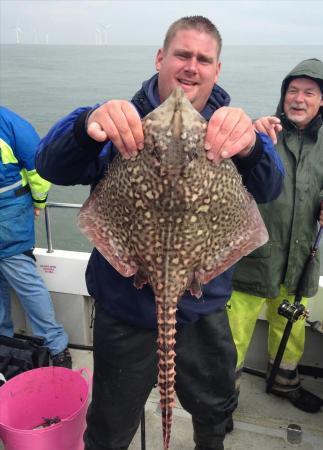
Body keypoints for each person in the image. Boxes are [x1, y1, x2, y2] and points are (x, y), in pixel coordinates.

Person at [36, 16, 284, 450]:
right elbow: (49, 165)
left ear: (216, 69)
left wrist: (252, 146)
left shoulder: (229, 131)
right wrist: (86, 124)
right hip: (124, 315)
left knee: (213, 411)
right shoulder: (123, 123)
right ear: (160, 58)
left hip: (203, 310)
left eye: (203, 59)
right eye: (182, 54)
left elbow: (270, 186)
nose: (192, 66)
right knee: (111, 426)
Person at [228, 58, 323, 414]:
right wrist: (248, 138)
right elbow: (230, 173)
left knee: (291, 327)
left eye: (308, 93)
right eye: (292, 91)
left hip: (300, 259)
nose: (298, 99)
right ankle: (224, 401)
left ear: (321, 100)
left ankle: (285, 382)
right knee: (234, 332)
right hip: (254, 256)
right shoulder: (262, 133)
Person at [0, 106, 72, 369]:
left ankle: (5, 343)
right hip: (10, 216)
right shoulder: (9, 122)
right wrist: (39, 201)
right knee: (27, 284)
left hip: (7, 216)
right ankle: (57, 347)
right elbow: (38, 164)